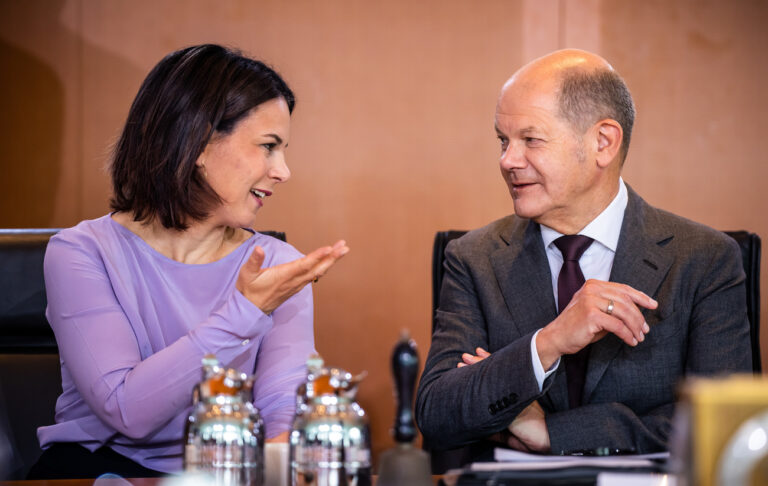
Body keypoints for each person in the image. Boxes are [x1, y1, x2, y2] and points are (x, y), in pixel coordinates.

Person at [415, 49, 752, 466]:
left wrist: (551, 434)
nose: (507, 161)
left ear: (603, 142)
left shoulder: (704, 259)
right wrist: (548, 342)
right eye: (503, 141)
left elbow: (719, 427)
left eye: (530, 140)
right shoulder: (474, 257)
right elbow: (438, 412)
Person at [28, 44, 349, 479]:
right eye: (268, 146)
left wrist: (282, 463)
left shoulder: (279, 264)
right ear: (198, 142)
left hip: (226, 470)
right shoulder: (82, 251)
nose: (283, 171)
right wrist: (246, 312)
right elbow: (127, 411)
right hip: (95, 470)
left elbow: (281, 407)